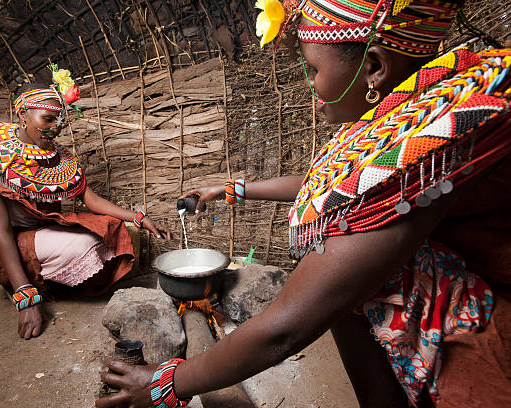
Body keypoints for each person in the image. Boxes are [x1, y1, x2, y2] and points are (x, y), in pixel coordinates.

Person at [95, 0, 510, 407]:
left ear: (374, 68)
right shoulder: (419, 106)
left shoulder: (437, 142)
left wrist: (164, 383)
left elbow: (286, 328)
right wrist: (231, 190)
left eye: (313, 69)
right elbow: (341, 184)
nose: (310, 83)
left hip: (476, 353)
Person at [0, 73, 172, 340]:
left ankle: (44, 280)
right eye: (47, 119)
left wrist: (139, 217)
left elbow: (91, 199)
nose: (55, 128)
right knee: (84, 246)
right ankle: (22, 282)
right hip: (4, 242)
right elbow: (0, 230)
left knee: (112, 229)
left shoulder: (57, 155)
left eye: (59, 121)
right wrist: (26, 299)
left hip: (43, 231)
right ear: (23, 115)